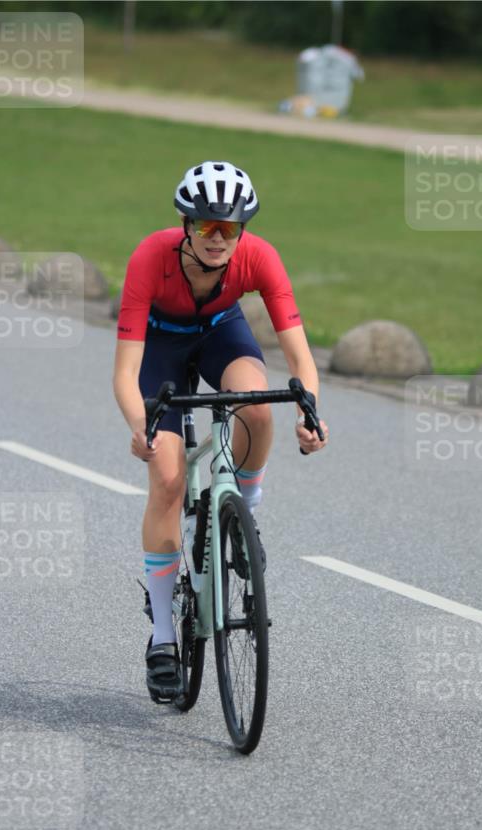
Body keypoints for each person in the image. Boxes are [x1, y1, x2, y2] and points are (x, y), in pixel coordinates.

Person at [113, 160, 329, 701]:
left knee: (257, 408)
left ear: (242, 231)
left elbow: (298, 354)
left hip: (220, 333)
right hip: (159, 348)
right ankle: (163, 636)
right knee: (167, 479)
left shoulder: (259, 258)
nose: (217, 239)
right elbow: (124, 371)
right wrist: (141, 428)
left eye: (228, 228)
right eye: (207, 226)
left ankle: (244, 515)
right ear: (186, 224)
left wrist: (311, 412)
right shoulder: (150, 258)